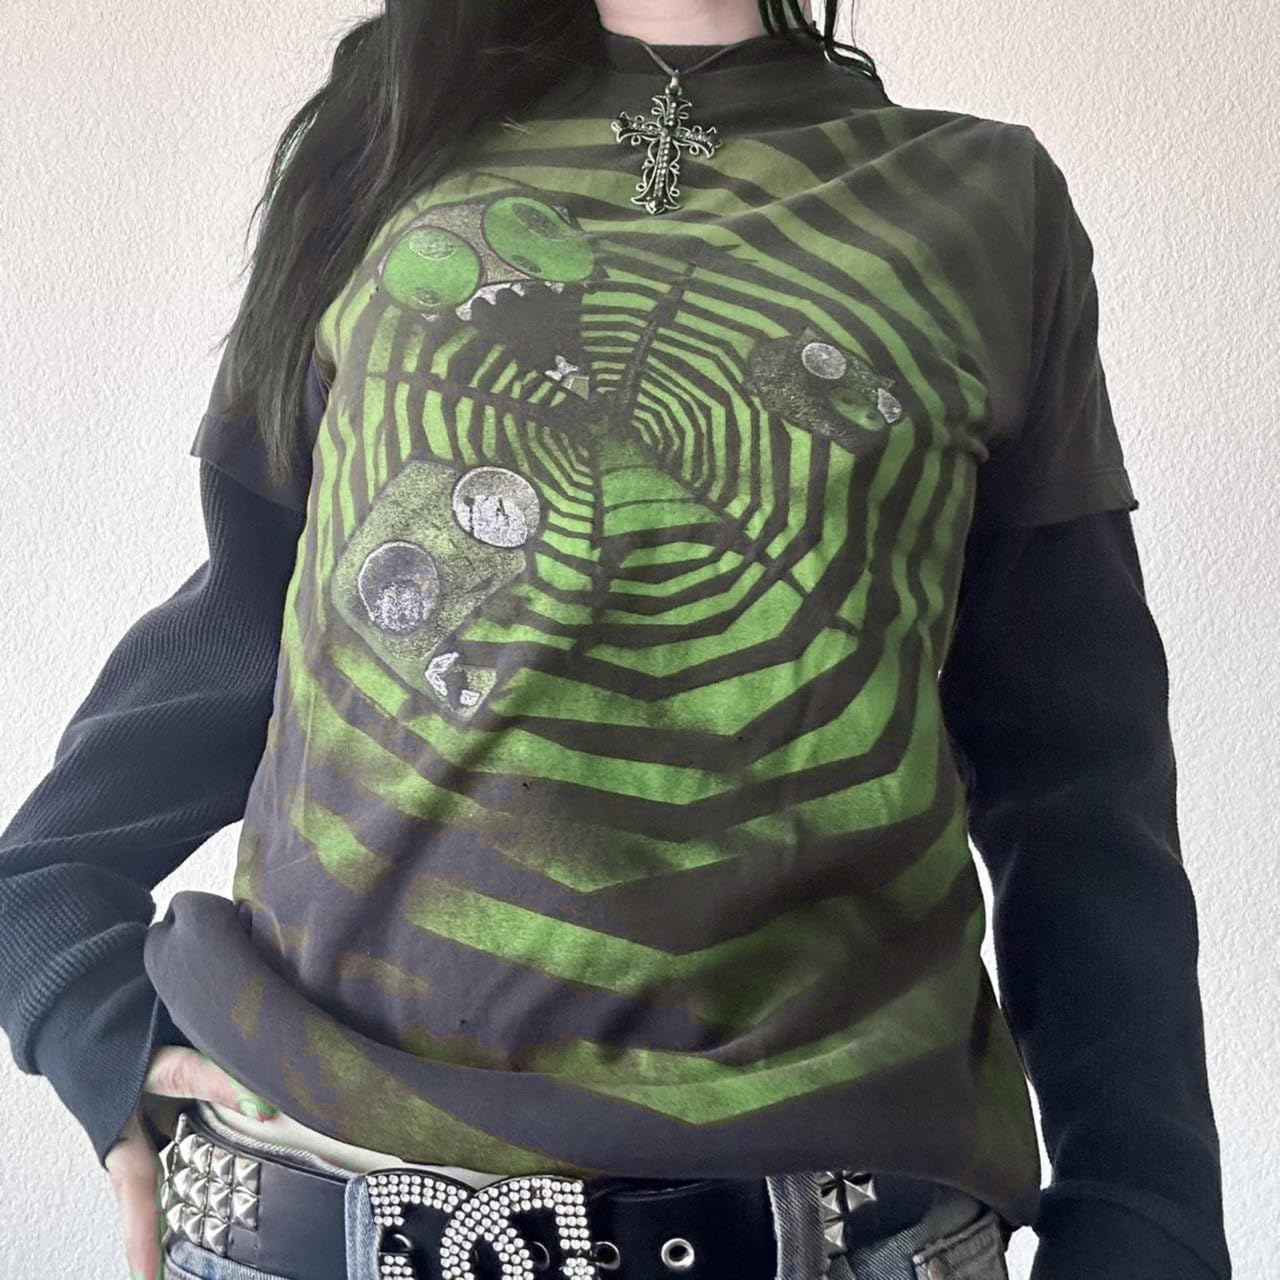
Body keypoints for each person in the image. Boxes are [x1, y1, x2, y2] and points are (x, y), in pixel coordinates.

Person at [0, 1, 1231, 1278]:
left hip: (836, 1230)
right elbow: (258, 616)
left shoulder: (982, 200)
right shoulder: (385, 147)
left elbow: (1076, 775)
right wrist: (57, 956)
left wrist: (1145, 1216)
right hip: (314, 1217)